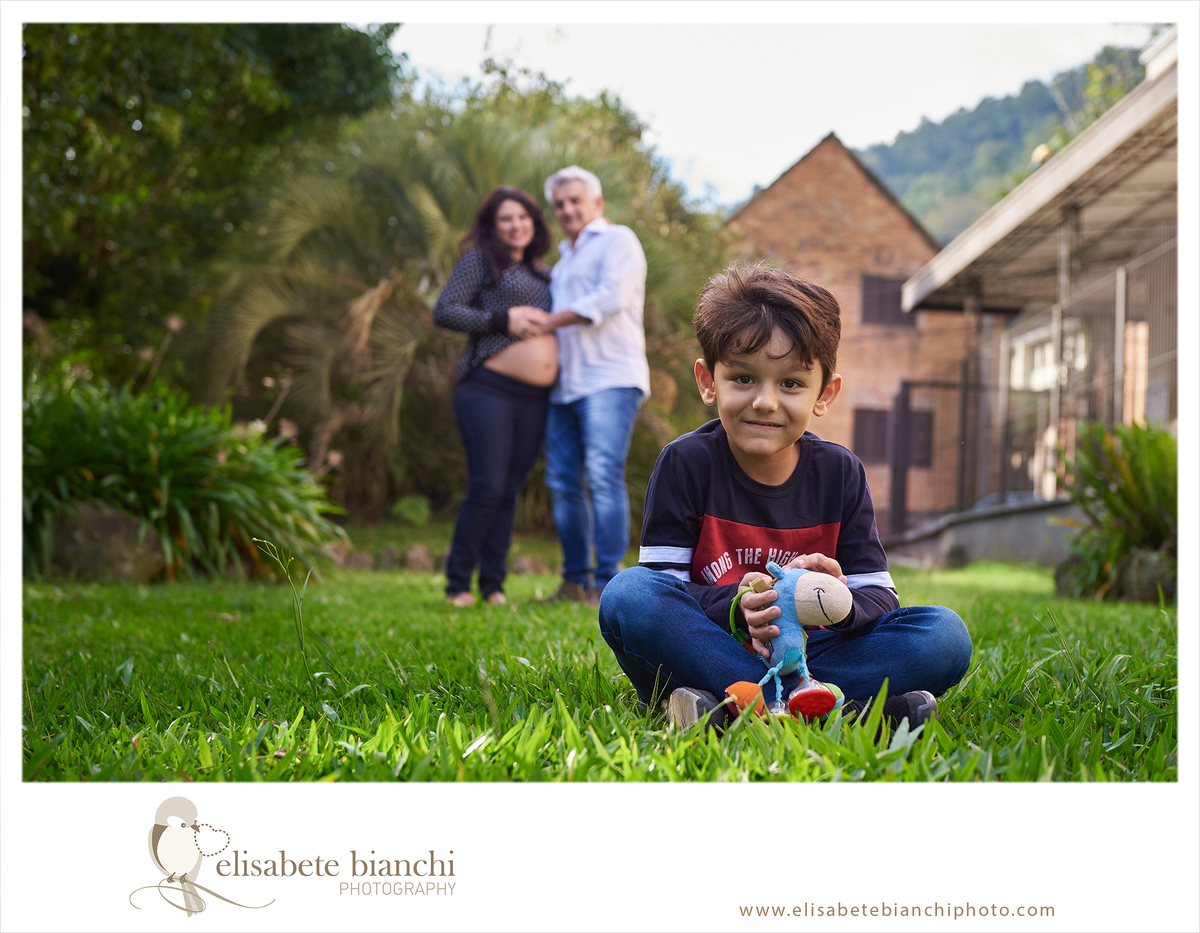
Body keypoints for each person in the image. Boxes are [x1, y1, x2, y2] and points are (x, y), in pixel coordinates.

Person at [597, 263, 972, 730]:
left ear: (825, 393)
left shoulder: (840, 472)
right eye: (743, 378)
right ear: (708, 381)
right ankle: (823, 708)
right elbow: (664, 589)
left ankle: (731, 707)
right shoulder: (686, 462)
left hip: (817, 650)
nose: (766, 402)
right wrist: (737, 606)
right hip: (713, 645)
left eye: (791, 383)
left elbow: (879, 596)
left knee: (944, 636)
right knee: (627, 595)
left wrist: (839, 600)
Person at [524, 166, 650, 607]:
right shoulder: (563, 263)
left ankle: (606, 583)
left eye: (575, 200)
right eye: (559, 204)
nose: (567, 209)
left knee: (601, 475)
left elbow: (611, 297)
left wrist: (549, 320)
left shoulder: (619, 241)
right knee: (561, 481)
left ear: (596, 202)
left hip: (610, 379)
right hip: (565, 385)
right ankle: (574, 580)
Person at [433, 187, 557, 607]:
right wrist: (503, 318)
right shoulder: (481, 261)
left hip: (535, 398)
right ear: (492, 225)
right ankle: (457, 585)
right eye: (506, 218)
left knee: (509, 490)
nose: (515, 225)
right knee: (486, 486)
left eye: (522, 217)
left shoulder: (545, 273)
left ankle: (493, 585)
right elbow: (445, 309)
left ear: (534, 224)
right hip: (488, 389)